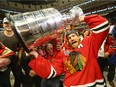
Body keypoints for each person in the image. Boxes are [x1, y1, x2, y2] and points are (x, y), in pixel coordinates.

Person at [28, 13, 110, 87]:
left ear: (78, 37)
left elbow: (103, 24)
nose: (71, 38)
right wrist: (36, 55)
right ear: (67, 42)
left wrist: (84, 18)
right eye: (69, 38)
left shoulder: (89, 44)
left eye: (73, 36)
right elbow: (51, 71)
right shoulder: (64, 54)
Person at [0, 17, 24, 87]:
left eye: (10, 23)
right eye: (6, 23)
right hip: (3, 60)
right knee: (5, 82)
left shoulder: (18, 36)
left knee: (18, 77)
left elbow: (20, 48)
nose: (8, 25)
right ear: (3, 25)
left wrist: (19, 59)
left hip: (14, 59)